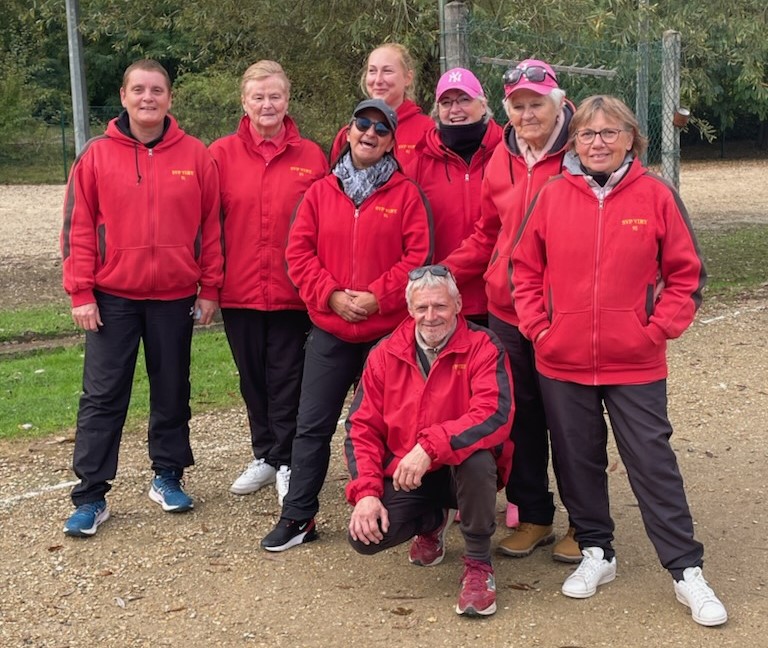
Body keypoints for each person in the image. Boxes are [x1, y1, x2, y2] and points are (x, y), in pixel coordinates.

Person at [511, 94, 727, 627]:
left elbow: (687, 276)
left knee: (652, 463)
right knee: (577, 459)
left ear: (631, 138)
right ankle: (597, 552)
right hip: (562, 361)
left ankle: (685, 570)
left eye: (610, 133)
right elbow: (524, 270)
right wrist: (541, 329)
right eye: (587, 134)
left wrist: (655, 330)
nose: (598, 143)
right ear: (574, 141)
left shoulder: (656, 195)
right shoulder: (554, 195)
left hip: (635, 361)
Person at [260, 98, 433, 552]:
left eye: (381, 128)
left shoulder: (407, 194)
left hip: (387, 333)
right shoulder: (320, 191)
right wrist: (332, 295)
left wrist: (379, 297)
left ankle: (410, 514)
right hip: (332, 329)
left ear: (392, 141)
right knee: (312, 425)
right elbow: (298, 255)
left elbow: (417, 259)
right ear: (349, 130)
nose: (370, 133)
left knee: (395, 425)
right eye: (362, 124)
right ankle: (299, 515)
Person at [60, 59, 223, 537]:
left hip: (175, 296)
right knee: (104, 396)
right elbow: (79, 229)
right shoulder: (96, 155)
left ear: (169, 98)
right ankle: (91, 495)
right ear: (124, 96)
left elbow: (211, 227)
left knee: (171, 389)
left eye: (157, 90)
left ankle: (167, 476)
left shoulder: (196, 156)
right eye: (139, 90)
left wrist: (210, 287)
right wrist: (81, 291)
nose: (148, 98)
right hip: (112, 297)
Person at [442, 59, 579, 561]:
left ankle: (584, 524)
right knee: (517, 418)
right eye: (518, 106)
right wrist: (443, 275)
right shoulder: (501, 157)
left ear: (558, 103)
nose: (527, 114)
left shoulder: (579, 153)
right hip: (505, 309)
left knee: (570, 421)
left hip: (561, 313)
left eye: (536, 104)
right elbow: (487, 232)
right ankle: (536, 514)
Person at [345, 265, 514, 617]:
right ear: (410, 310)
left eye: (440, 306)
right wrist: (367, 494)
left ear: (458, 304)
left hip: (460, 471)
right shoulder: (384, 353)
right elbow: (361, 427)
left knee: (478, 459)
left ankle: (478, 565)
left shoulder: (484, 346)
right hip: (410, 474)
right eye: (422, 308)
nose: (431, 316)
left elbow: (494, 414)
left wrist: (430, 446)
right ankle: (431, 522)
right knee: (364, 537)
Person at [209, 61, 328, 504]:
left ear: (287, 100)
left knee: (288, 380)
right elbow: (208, 223)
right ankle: (264, 454)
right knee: (252, 379)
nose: (267, 104)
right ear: (244, 101)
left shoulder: (312, 156)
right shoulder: (219, 155)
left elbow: (324, 224)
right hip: (238, 290)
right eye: (258, 97)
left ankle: (287, 461)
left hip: (293, 293)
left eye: (275, 96)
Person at [404, 67, 503, 326]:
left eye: (464, 100)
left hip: (499, 300)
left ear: (483, 104)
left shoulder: (507, 154)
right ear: (437, 112)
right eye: (446, 102)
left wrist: (448, 272)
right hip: (439, 301)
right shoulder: (420, 161)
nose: (455, 109)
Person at [328, 43, 433, 163]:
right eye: (372, 71)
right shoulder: (351, 133)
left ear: (408, 78)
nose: (378, 80)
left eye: (387, 71)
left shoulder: (427, 131)